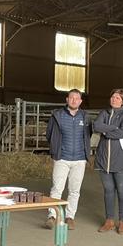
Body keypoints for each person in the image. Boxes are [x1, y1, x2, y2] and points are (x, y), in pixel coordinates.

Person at [44, 89, 92, 230]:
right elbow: (49, 134)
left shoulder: (85, 117)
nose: (74, 100)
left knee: (74, 190)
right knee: (57, 188)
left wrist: (84, 153)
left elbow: (88, 134)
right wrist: (56, 149)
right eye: (71, 98)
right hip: (62, 158)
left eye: (77, 98)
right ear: (67, 99)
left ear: (80, 101)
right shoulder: (57, 116)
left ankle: (70, 217)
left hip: (79, 159)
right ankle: (52, 216)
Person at [93, 89, 123, 235]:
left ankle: (122, 221)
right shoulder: (104, 112)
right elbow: (96, 126)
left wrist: (105, 131)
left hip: (122, 160)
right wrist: (114, 129)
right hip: (105, 159)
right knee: (108, 191)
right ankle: (109, 220)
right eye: (112, 97)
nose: (114, 99)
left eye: (117, 98)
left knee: (122, 190)